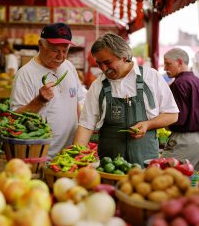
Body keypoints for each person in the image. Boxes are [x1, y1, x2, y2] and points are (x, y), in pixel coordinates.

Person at [73, 33, 179, 167]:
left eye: (107, 62)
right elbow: (85, 125)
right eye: (99, 64)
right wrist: (76, 159)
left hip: (146, 164)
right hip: (109, 167)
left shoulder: (151, 77)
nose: (103, 69)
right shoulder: (98, 85)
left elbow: (172, 114)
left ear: (123, 57)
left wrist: (148, 124)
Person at [10, 23, 85, 159]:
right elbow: (14, 119)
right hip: (42, 156)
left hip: (70, 155)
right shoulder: (25, 74)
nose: (61, 56)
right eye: (55, 50)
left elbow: (76, 106)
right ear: (41, 45)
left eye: (65, 50)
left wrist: (79, 144)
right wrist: (39, 101)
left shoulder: (69, 66)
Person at [162, 48, 199, 170]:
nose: (165, 68)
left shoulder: (178, 84)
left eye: (168, 64)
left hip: (184, 140)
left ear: (180, 62)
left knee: (164, 176)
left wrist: (162, 121)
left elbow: (178, 118)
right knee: (195, 181)